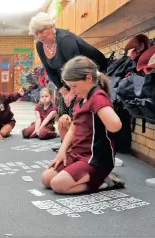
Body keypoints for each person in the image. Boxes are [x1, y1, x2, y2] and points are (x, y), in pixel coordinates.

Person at [41, 56, 125, 194]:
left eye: (74, 86)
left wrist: (101, 112)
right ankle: (90, 178)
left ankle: (105, 182)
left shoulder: (97, 97)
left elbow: (115, 126)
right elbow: (73, 127)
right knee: (46, 179)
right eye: (70, 87)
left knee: (58, 185)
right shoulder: (82, 97)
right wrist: (61, 152)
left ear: (88, 78)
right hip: (77, 154)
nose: (73, 91)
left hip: (95, 159)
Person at [29, 12, 107, 117]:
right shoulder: (40, 45)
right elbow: (50, 70)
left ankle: (83, 130)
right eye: (36, 33)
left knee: (81, 106)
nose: (39, 36)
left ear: (51, 26)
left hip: (94, 73)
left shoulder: (65, 39)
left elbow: (78, 69)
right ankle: (72, 130)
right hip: (75, 77)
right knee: (65, 103)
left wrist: (72, 92)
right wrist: (63, 90)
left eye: (42, 31)